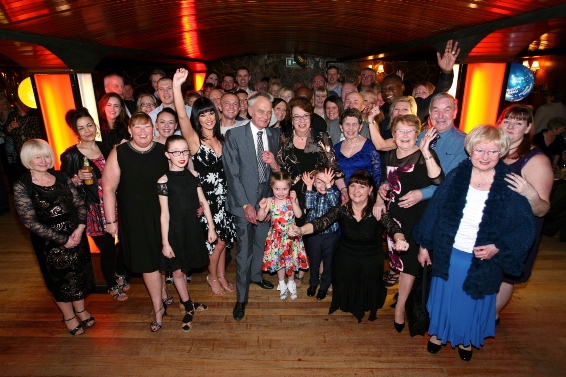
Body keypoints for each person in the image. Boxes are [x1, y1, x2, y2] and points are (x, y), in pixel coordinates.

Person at [414, 125, 536, 361]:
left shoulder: (510, 184)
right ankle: (438, 335)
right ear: (470, 151)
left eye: (492, 152)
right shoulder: (456, 177)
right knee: (444, 298)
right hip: (450, 253)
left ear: (501, 152)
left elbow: (524, 228)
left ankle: (467, 340)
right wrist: (423, 245)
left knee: (471, 303)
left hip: (482, 259)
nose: (485, 157)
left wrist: (497, 247)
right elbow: (434, 211)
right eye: (480, 150)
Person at [289, 170, 409, 322]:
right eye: (352, 186)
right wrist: (300, 230)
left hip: (371, 257)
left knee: (370, 270)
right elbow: (321, 222)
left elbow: (393, 228)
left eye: (362, 187)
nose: (356, 191)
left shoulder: (377, 210)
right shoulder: (341, 209)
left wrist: (401, 239)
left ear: (371, 189)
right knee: (344, 267)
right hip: (346, 255)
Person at [14, 139, 95, 335]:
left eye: (46, 156)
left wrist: (80, 228)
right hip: (49, 242)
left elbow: (79, 202)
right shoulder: (22, 185)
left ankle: (81, 310)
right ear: (28, 159)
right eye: (37, 157)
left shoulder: (61, 176)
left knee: (79, 274)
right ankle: (69, 316)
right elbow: (30, 222)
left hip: (75, 234)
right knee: (59, 280)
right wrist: (63, 240)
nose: (43, 160)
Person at [102, 112, 169, 332]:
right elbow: (109, 189)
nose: (143, 131)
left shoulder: (163, 151)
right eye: (137, 127)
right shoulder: (119, 152)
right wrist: (111, 221)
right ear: (130, 130)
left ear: (154, 128)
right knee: (148, 262)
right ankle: (158, 309)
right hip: (135, 217)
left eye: (147, 126)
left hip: (163, 215)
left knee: (162, 256)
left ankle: (163, 292)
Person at [376, 114, 444, 333]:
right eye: (400, 131)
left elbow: (439, 182)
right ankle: (402, 299)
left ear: (417, 134)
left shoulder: (424, 154)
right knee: (398, 260)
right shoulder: (389, 155)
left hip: (419, 216)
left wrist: (425, 152)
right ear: (393, 135)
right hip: (395, 215)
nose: (404, 136)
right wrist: (383, 189)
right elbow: (387, 180)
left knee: (409, 265)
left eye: (409, 131)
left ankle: (401, 308)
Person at [173, 68, 237, 296]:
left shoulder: (221, 138)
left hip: (227, 197)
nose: (208, 118)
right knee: (216, 242)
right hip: (209, 200)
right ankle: (212, 277)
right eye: (203, 114)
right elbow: (181, 116)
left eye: (211, 113)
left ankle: (220, 275)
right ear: (196, 118)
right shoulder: (194, 141)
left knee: (224, 242)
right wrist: (177, 86)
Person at [223, 92, 281, 321]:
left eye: (269, 112)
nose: (266, 116)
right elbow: (232, 175)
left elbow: (278, 174)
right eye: (261, 111)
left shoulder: (275, 135)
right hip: (242, 203)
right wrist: (246, 204)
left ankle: (256, 276)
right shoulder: (234, 135)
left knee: (260, 244)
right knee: (243, 252)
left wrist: (274, 163)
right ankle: (241, 298)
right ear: (249, 111)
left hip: (266, 202)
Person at [60, 108, 128, 301]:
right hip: (94, 208)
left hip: (116, 202)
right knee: (106, 249)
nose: (87, 130)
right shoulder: (70, 155)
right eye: (81, 128)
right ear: (76, 132)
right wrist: (76, 178)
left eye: (90, 125)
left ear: (95, 126)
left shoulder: (106, 147)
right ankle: (112, 285)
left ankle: (119, 272)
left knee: (123, 243)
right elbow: (63, 186)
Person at [495, 105, 553, 324]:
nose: (511, 126)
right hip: (492, 226)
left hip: (517, 230)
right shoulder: (495, 150)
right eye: (507, 120)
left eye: (518, 123)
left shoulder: (536, 160)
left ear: (528, 128)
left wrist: (530, 193)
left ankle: (493, 316)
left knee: (504, 277)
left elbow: (542, 209)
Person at [158, 135, 213, 331]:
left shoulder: (193, 175)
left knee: (186, 267)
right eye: (176, 152)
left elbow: (203, 202)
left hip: (192, 228)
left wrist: (211, 227)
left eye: (184, 151)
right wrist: (165, 242)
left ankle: (186, 301)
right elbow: (164, 215)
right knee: (178, 270)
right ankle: (188, 306)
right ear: (167, 155)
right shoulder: (164, 180)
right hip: (174, 231)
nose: (181, 155)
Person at [277, 97, 347, 220]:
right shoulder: (284, 139)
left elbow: (333, 167)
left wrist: (344, 190)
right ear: (291, 120)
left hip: (317, 201)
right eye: (297, 116)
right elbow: (280, 170)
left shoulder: (321, 137)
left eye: (305, 115)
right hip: (291, 199)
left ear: (311, 117)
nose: (302, 120)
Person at [257, 172, 307, 300]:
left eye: (284, 189)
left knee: (290, 262)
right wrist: (262, 209)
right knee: (279, 262)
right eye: (277, 189)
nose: (280, 192)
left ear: (290, 187)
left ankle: (291, 284)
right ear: (271, 187)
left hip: (291, 237)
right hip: (276, 238)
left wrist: (295, 201)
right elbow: (260, 218)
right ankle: (282, 284)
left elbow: (299, 215)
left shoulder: (291, 200)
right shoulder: (269, 201)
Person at [302, 167, 340, 300]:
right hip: (314, 236)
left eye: (326, 181)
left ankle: (324, 286)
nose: (322, 185)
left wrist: (329, 186)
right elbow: (308, 205)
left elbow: (335, 205)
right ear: (314, 183)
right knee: (314, 261)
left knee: (328, 262)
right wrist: (308, 187)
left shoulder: (334, 194)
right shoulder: (312, 194)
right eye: (319, 182)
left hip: (330, 235)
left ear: (332, 182)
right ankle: (313, 283)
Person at [334, 108, 381, 185]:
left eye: (354, 124)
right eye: (347, 124)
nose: (351, 128)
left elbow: (377, 175)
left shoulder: (370, 146)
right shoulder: (335, 148)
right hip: (340, 193)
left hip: (363, 194)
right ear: (341, 127)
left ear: (360, 127)